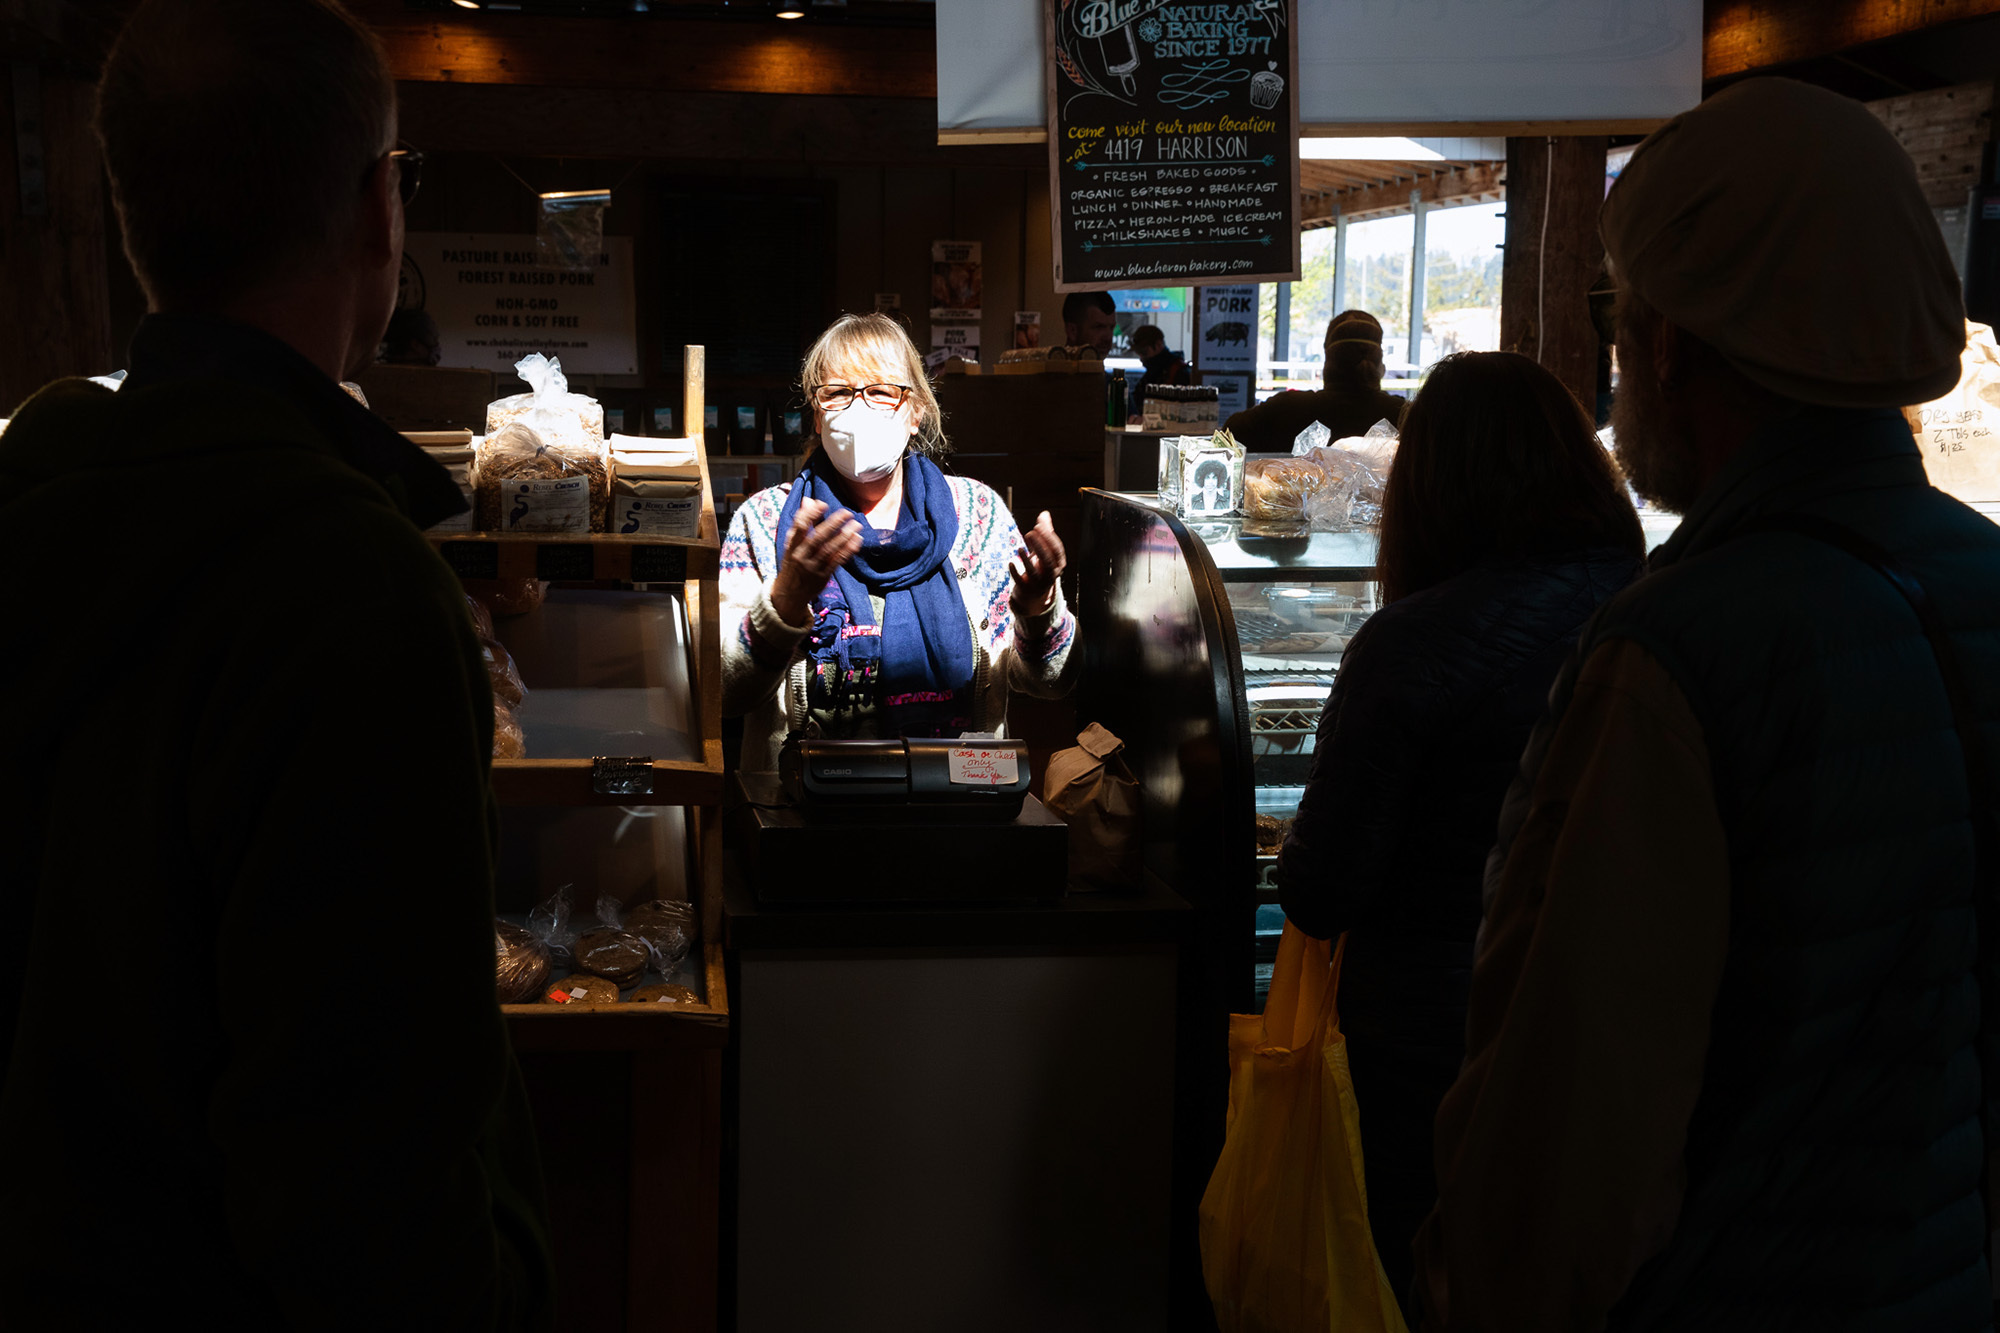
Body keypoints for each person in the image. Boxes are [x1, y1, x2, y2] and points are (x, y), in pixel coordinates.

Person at [0, 0, 554, 1325]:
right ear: (379, 210)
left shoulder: (27, 494)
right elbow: (366, 1186)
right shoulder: (352, 584)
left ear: (131, 216)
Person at [1412, 78, 1993, 1330]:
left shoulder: (1677, 648)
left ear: (1668, 350)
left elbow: (1563, 1154)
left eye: (1618, 327)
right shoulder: (1982, 578)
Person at [1277, 352, 1643, 1314]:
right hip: (1615, 1023)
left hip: (1433, 1038)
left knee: (1433, 1273)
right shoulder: (1654, 609)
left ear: (1431, 483)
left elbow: (1322, 890)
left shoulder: (1411, 643)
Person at [721, 313, 1078, 770]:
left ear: (917, 412)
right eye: (837, 393)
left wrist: (1037, 608)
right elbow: (725, 694)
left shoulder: (978, 516)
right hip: (802, 814)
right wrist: (785, 601)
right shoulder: (767, 521)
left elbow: (1052, 682)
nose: (857, 410)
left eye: (881, 392)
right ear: (816, 414)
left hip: (958, 807)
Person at [1225, 310, 1407, 450]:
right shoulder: (1404, 417)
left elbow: (1227, 436)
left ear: (1328, 362)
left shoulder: (1285, 409)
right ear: (1380, 365)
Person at [1128, 322, 1192, 404]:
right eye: (1138, 353)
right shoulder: (1153, 373)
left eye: (1144, 352)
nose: (1141, 358)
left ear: (1158, 344)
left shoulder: (1177, 372)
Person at [1062, 290, 1117, 357]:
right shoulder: (1051, 367)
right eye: (1099, 327)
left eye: (1111, 327)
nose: (1108, 338)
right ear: (1072, 331)